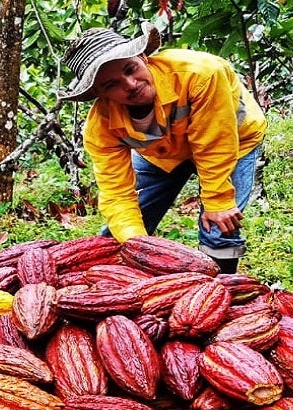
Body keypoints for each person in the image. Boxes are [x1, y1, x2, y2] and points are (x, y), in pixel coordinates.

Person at [61, 22, 266, 273]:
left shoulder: (200, 74)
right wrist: (137, 245)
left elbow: (215, 143)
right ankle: (124, 290)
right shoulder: (101, 128)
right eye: (112, 84)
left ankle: (222, 287)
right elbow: (116, 194)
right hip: (163, 154)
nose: (130, 84)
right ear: (98, 92)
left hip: (233, 141)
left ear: (143, 57)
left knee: (220, 227)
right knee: (119, 237)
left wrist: (217, 200)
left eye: (130, 69)